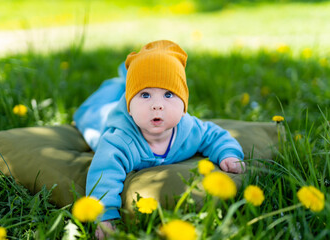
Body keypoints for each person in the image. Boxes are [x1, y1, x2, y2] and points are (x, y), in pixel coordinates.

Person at [73, 40, 245, 239]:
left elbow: (215, 135)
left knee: (126, 87)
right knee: (92, 111)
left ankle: (127, 80)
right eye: (145, 95)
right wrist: (105, 216)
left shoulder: (190, 130)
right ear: (129, 107)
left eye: (169, 94)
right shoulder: (118, 141)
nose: (157, 105)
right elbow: (104, 173)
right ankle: (122, 82)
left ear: (183, 108)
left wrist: (228, 154)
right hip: (101, 117)